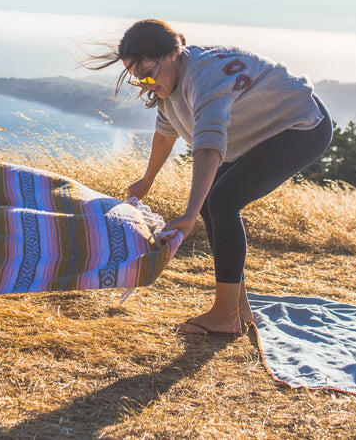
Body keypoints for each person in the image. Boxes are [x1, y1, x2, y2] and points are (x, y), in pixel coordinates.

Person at [85, 19, 333, 336]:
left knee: (222, 201)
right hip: (263, 131)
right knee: (212, 203)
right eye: (138, 80)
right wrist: (147, 180)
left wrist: (187, 216)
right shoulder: (172, 82)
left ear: (172, 55)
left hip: (301, 124)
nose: (145, 85)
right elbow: (165, 133)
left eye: (147, 75)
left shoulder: (204, 76)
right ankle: (239, 309)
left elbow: (209, 147)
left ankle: (225, 315)